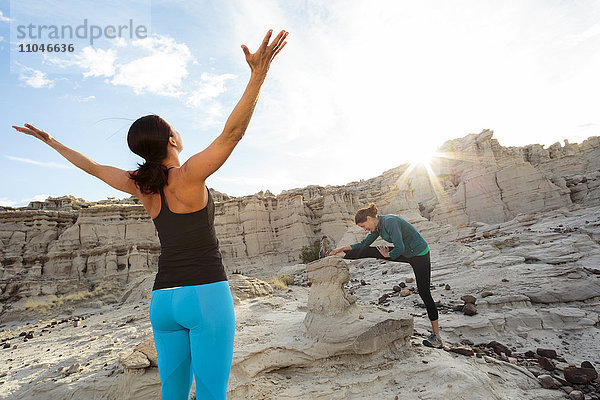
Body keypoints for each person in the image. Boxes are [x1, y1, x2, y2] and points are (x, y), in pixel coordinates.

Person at [12, 28, 288, 399]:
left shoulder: (141, 185)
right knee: (211, 393)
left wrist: (50, 141)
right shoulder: (188, 176)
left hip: (163, 302)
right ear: (171, 140)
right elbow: (232, 134)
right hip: (205, 294)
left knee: (171, 393)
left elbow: (92, 167)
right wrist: (258, 75)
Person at [329, 202, 443, 349]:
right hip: (406, 252)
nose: (365, 229)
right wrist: (344, 247)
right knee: (371, 250)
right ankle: (342, 255)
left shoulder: (390, 222)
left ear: (369, 218)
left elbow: (399, 246)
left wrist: (389, 255)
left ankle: (437, 337)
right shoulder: (378, 227)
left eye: (364, 226)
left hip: (420, 254)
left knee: (424, 293)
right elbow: (364, 244)